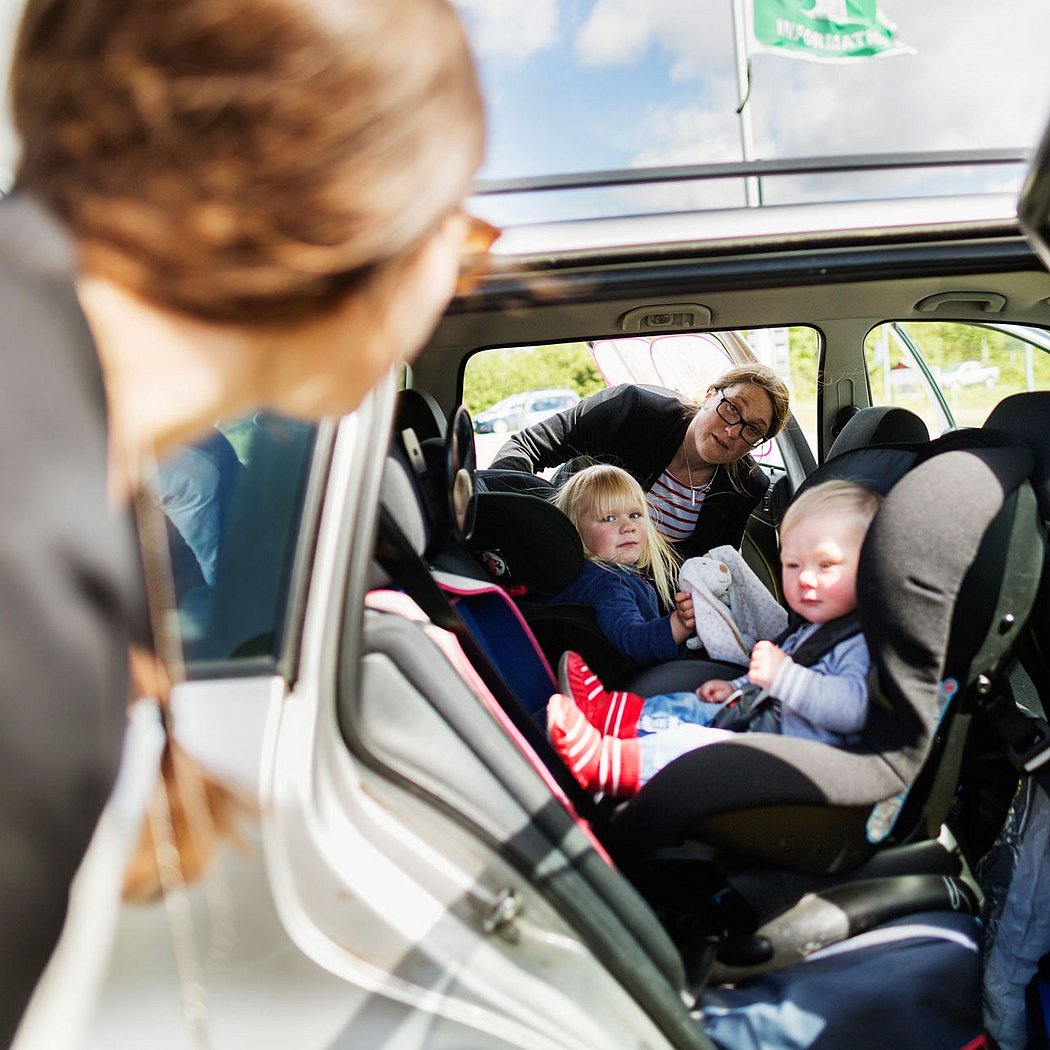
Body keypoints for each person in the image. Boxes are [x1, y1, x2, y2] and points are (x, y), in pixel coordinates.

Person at [0, 0, 488, 1042]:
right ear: (346, 211)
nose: (454, 281)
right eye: (464, 235)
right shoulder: (29, 566)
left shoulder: (56, 436)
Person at [547, 480, 882, 798]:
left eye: (826, 565)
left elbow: (851, 709)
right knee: (694, 705)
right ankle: (610, 714)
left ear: (871, 568)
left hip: (782, 753)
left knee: (692, 743)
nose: (806, 577)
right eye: (793, 565)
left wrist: (783, 677)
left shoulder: (859, 641)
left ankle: (608, 764)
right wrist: (738, 689)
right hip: (762, 719)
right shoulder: (814, 628)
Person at [490, 365, 792, 558]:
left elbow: (710, 568)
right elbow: (526, 446)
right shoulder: (632, 410)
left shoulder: (747, 486)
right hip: (563, 552)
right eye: (731, 408)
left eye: (752, 429)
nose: (732, 431)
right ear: (711, 394)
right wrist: (523, 518)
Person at [549, 463, 696, 664]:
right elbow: (633, 642)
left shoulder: (610, 574)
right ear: (576, 531)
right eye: (609, 518)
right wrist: (679, 623)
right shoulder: (608, 584)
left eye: (635, 515)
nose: (628, 526)